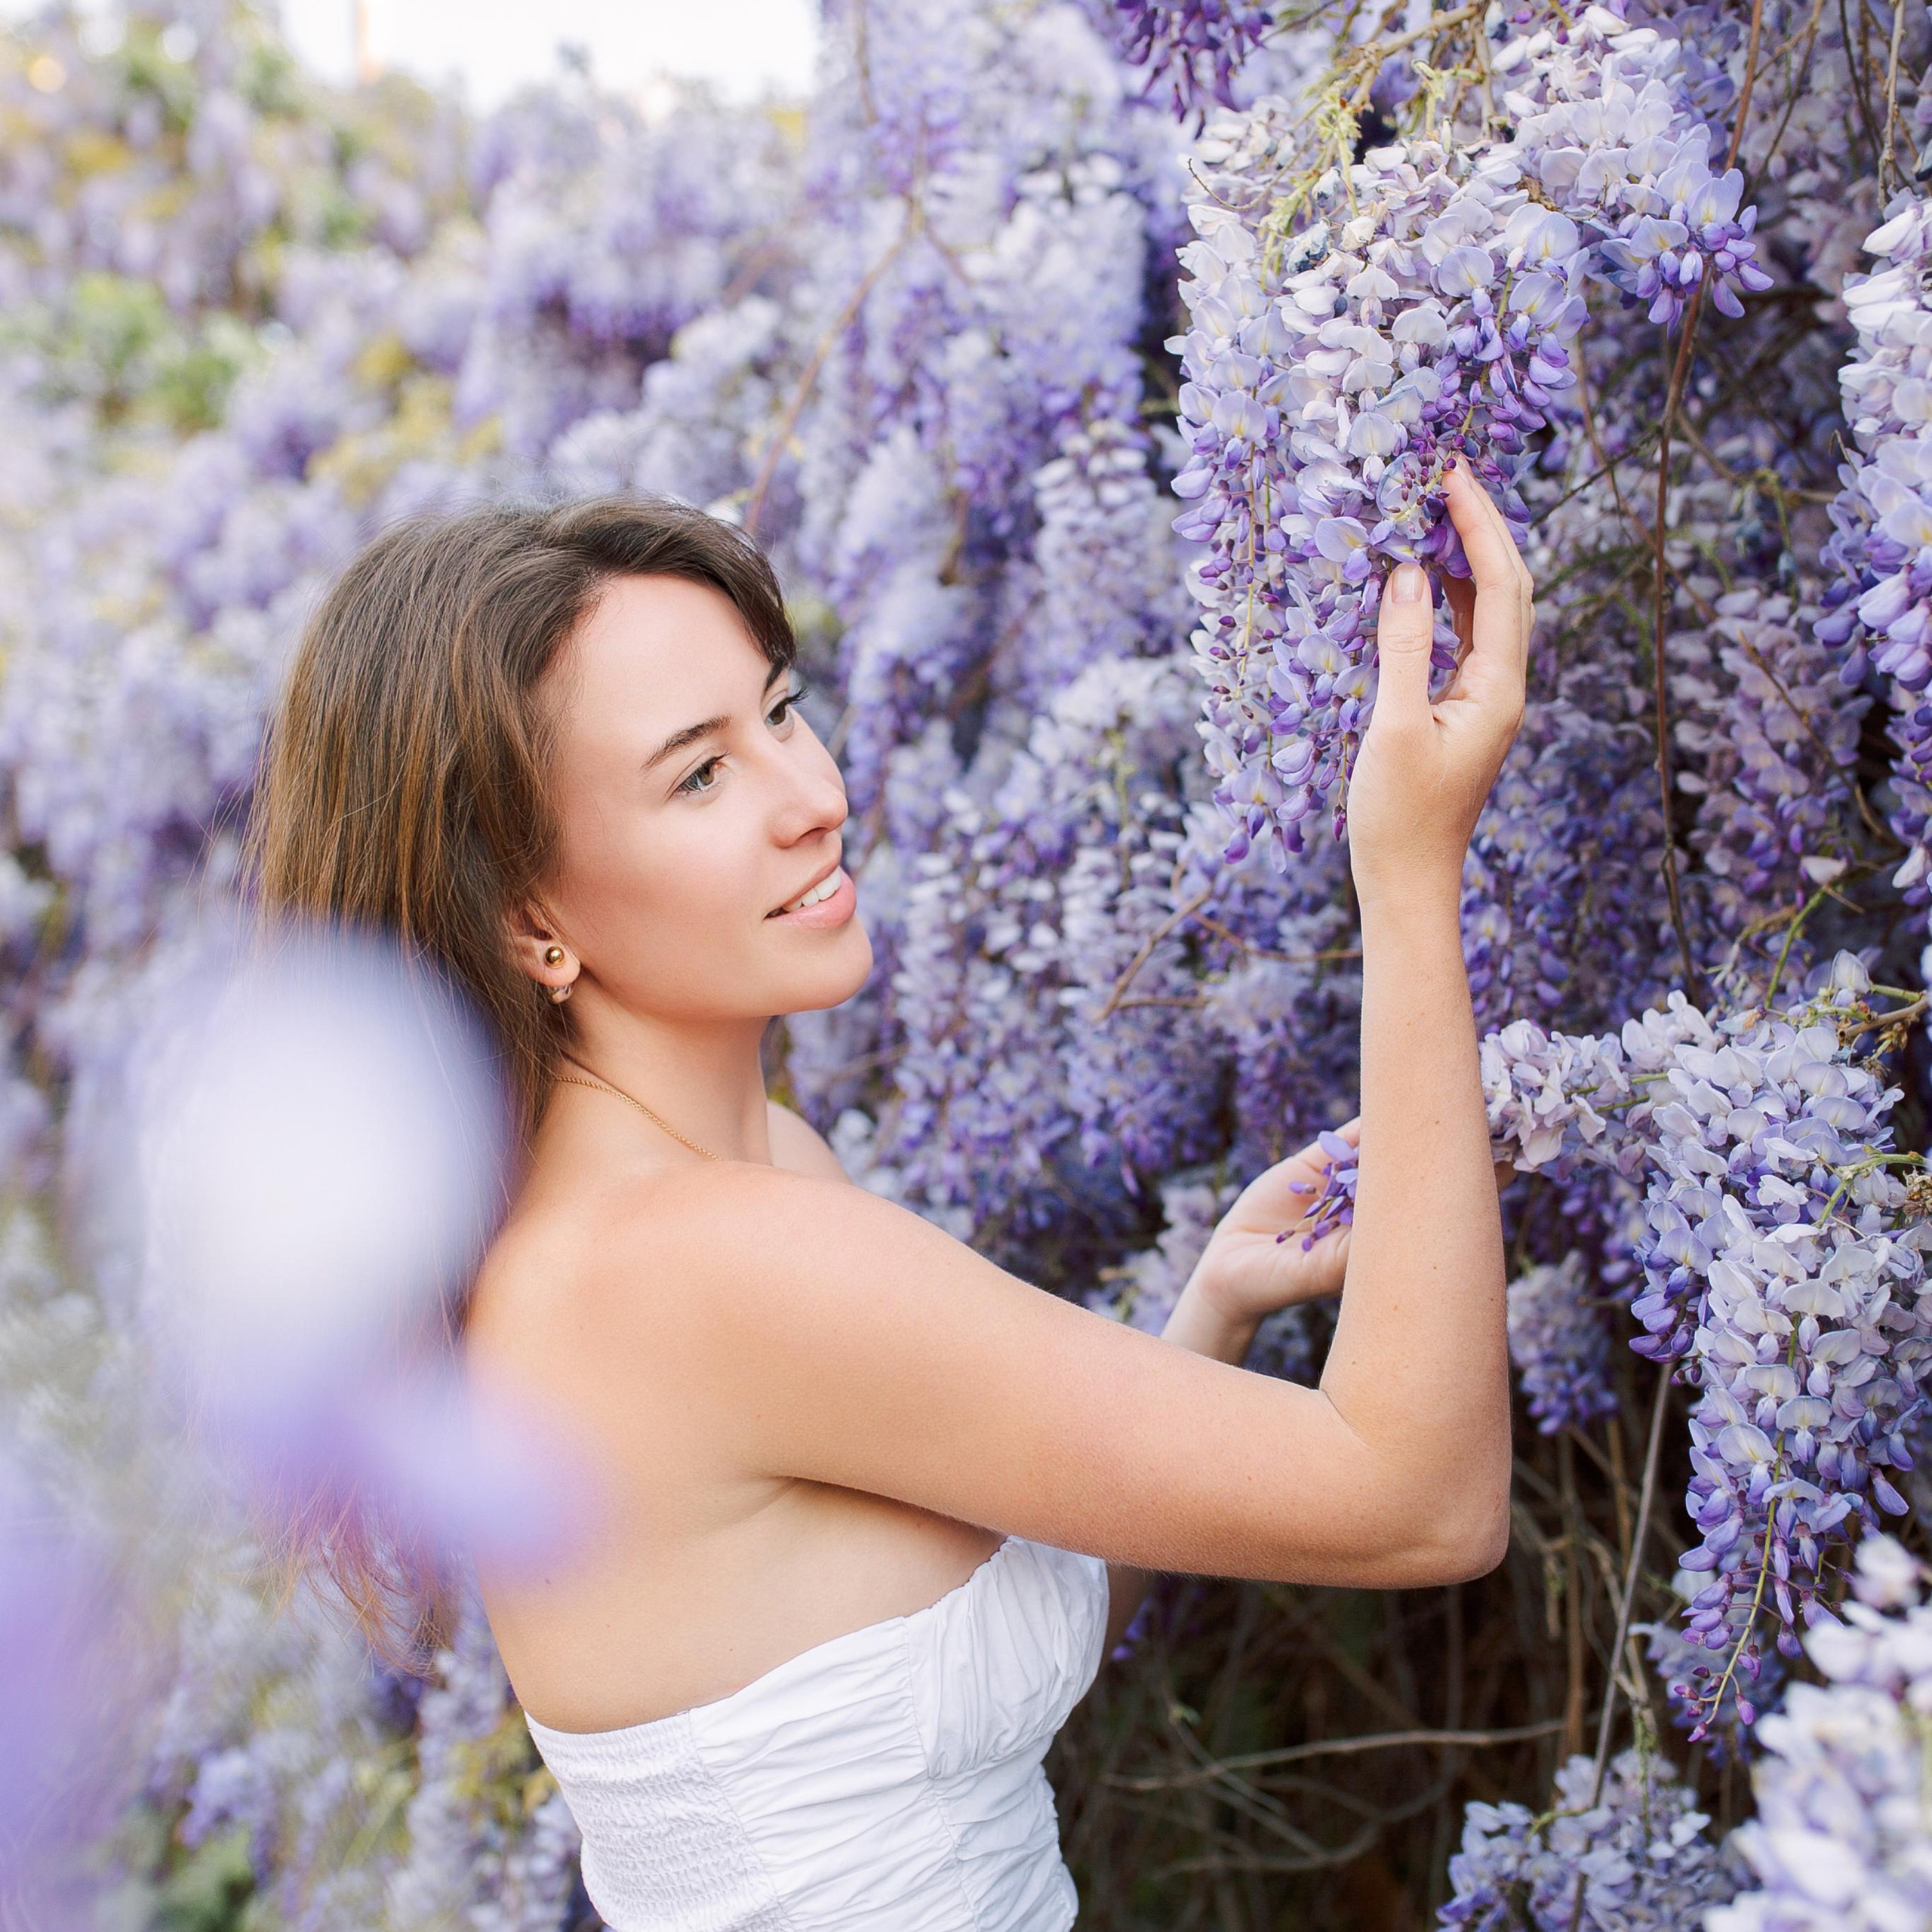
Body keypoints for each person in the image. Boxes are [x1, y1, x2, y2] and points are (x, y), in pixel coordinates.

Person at [244, 454, 1530, 1931]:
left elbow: (932, 1679)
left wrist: (1210, 1303)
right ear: (529, 915)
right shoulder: (701, 1262)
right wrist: (1411, 871)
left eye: (779, 711)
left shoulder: (717, 1185)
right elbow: (1417, 1501)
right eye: (699, 773)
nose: (810, 795)